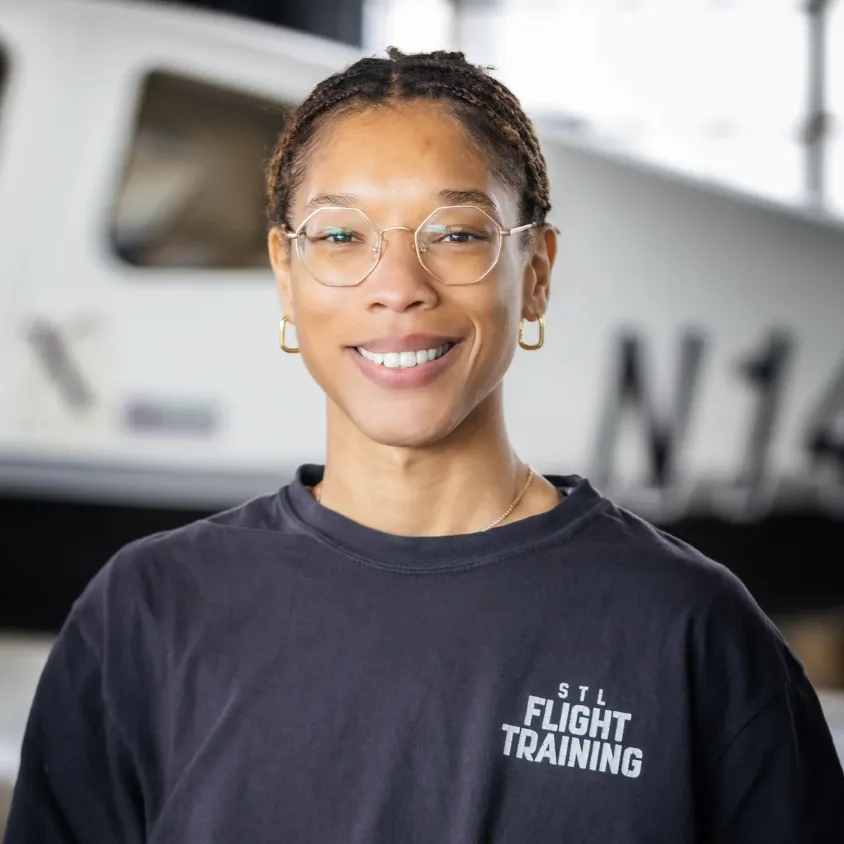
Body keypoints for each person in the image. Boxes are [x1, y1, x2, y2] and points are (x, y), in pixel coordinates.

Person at [5, 47, 844, 844]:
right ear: (286, 276)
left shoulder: (691, 631)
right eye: (341, 236)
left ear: (538, 272)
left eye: (457, 233)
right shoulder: (144, 615)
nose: (399, 288)